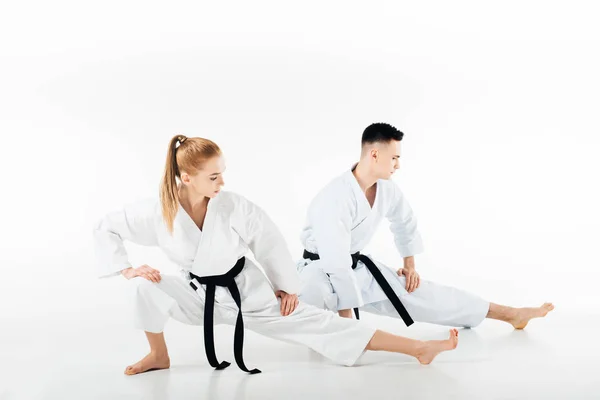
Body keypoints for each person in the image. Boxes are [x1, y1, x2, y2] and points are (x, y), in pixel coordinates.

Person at [93, 134, 459, 376]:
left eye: (222, 175)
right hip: (197, 293)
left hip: (248, 292)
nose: (222, 184)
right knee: (145, 289)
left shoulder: (233, 206)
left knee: (322, 325)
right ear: (186, 178)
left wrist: (286, 288)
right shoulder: (159, 210)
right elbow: (106, 226)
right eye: (213, 178)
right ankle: (159, 355)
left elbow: (268, 242)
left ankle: (418, 348)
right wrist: (126, 269)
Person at [297, 123, 554, 329]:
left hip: (355, 267)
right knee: (322, 317)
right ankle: (328, 335)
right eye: (395, 158)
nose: (398, 164)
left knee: (424, 295)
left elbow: (405, 222)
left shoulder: (387, 189)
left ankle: (511, 314)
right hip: (318, 275)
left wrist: (410, 266)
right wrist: (347, 326)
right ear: (374, 154)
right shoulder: (336, 197)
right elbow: (335, 262)